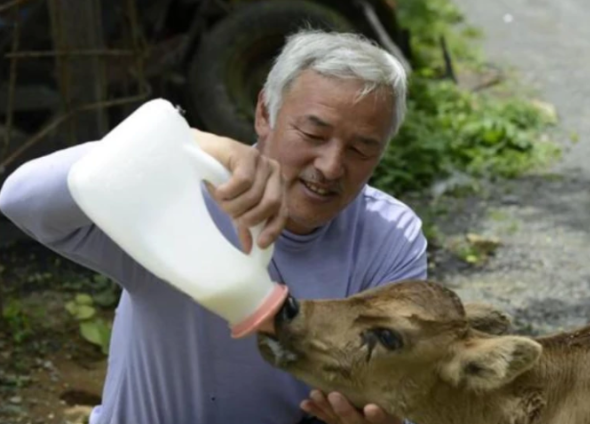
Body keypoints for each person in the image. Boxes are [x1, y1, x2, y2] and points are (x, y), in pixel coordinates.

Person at [0, 29, 427, 424]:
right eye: (314, 134)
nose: (332, 166)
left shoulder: (387, 237)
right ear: (264, 112)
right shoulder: (177, 194)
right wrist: (185, 143)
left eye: (361, 148)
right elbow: (20, 198)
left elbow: (398, 382)